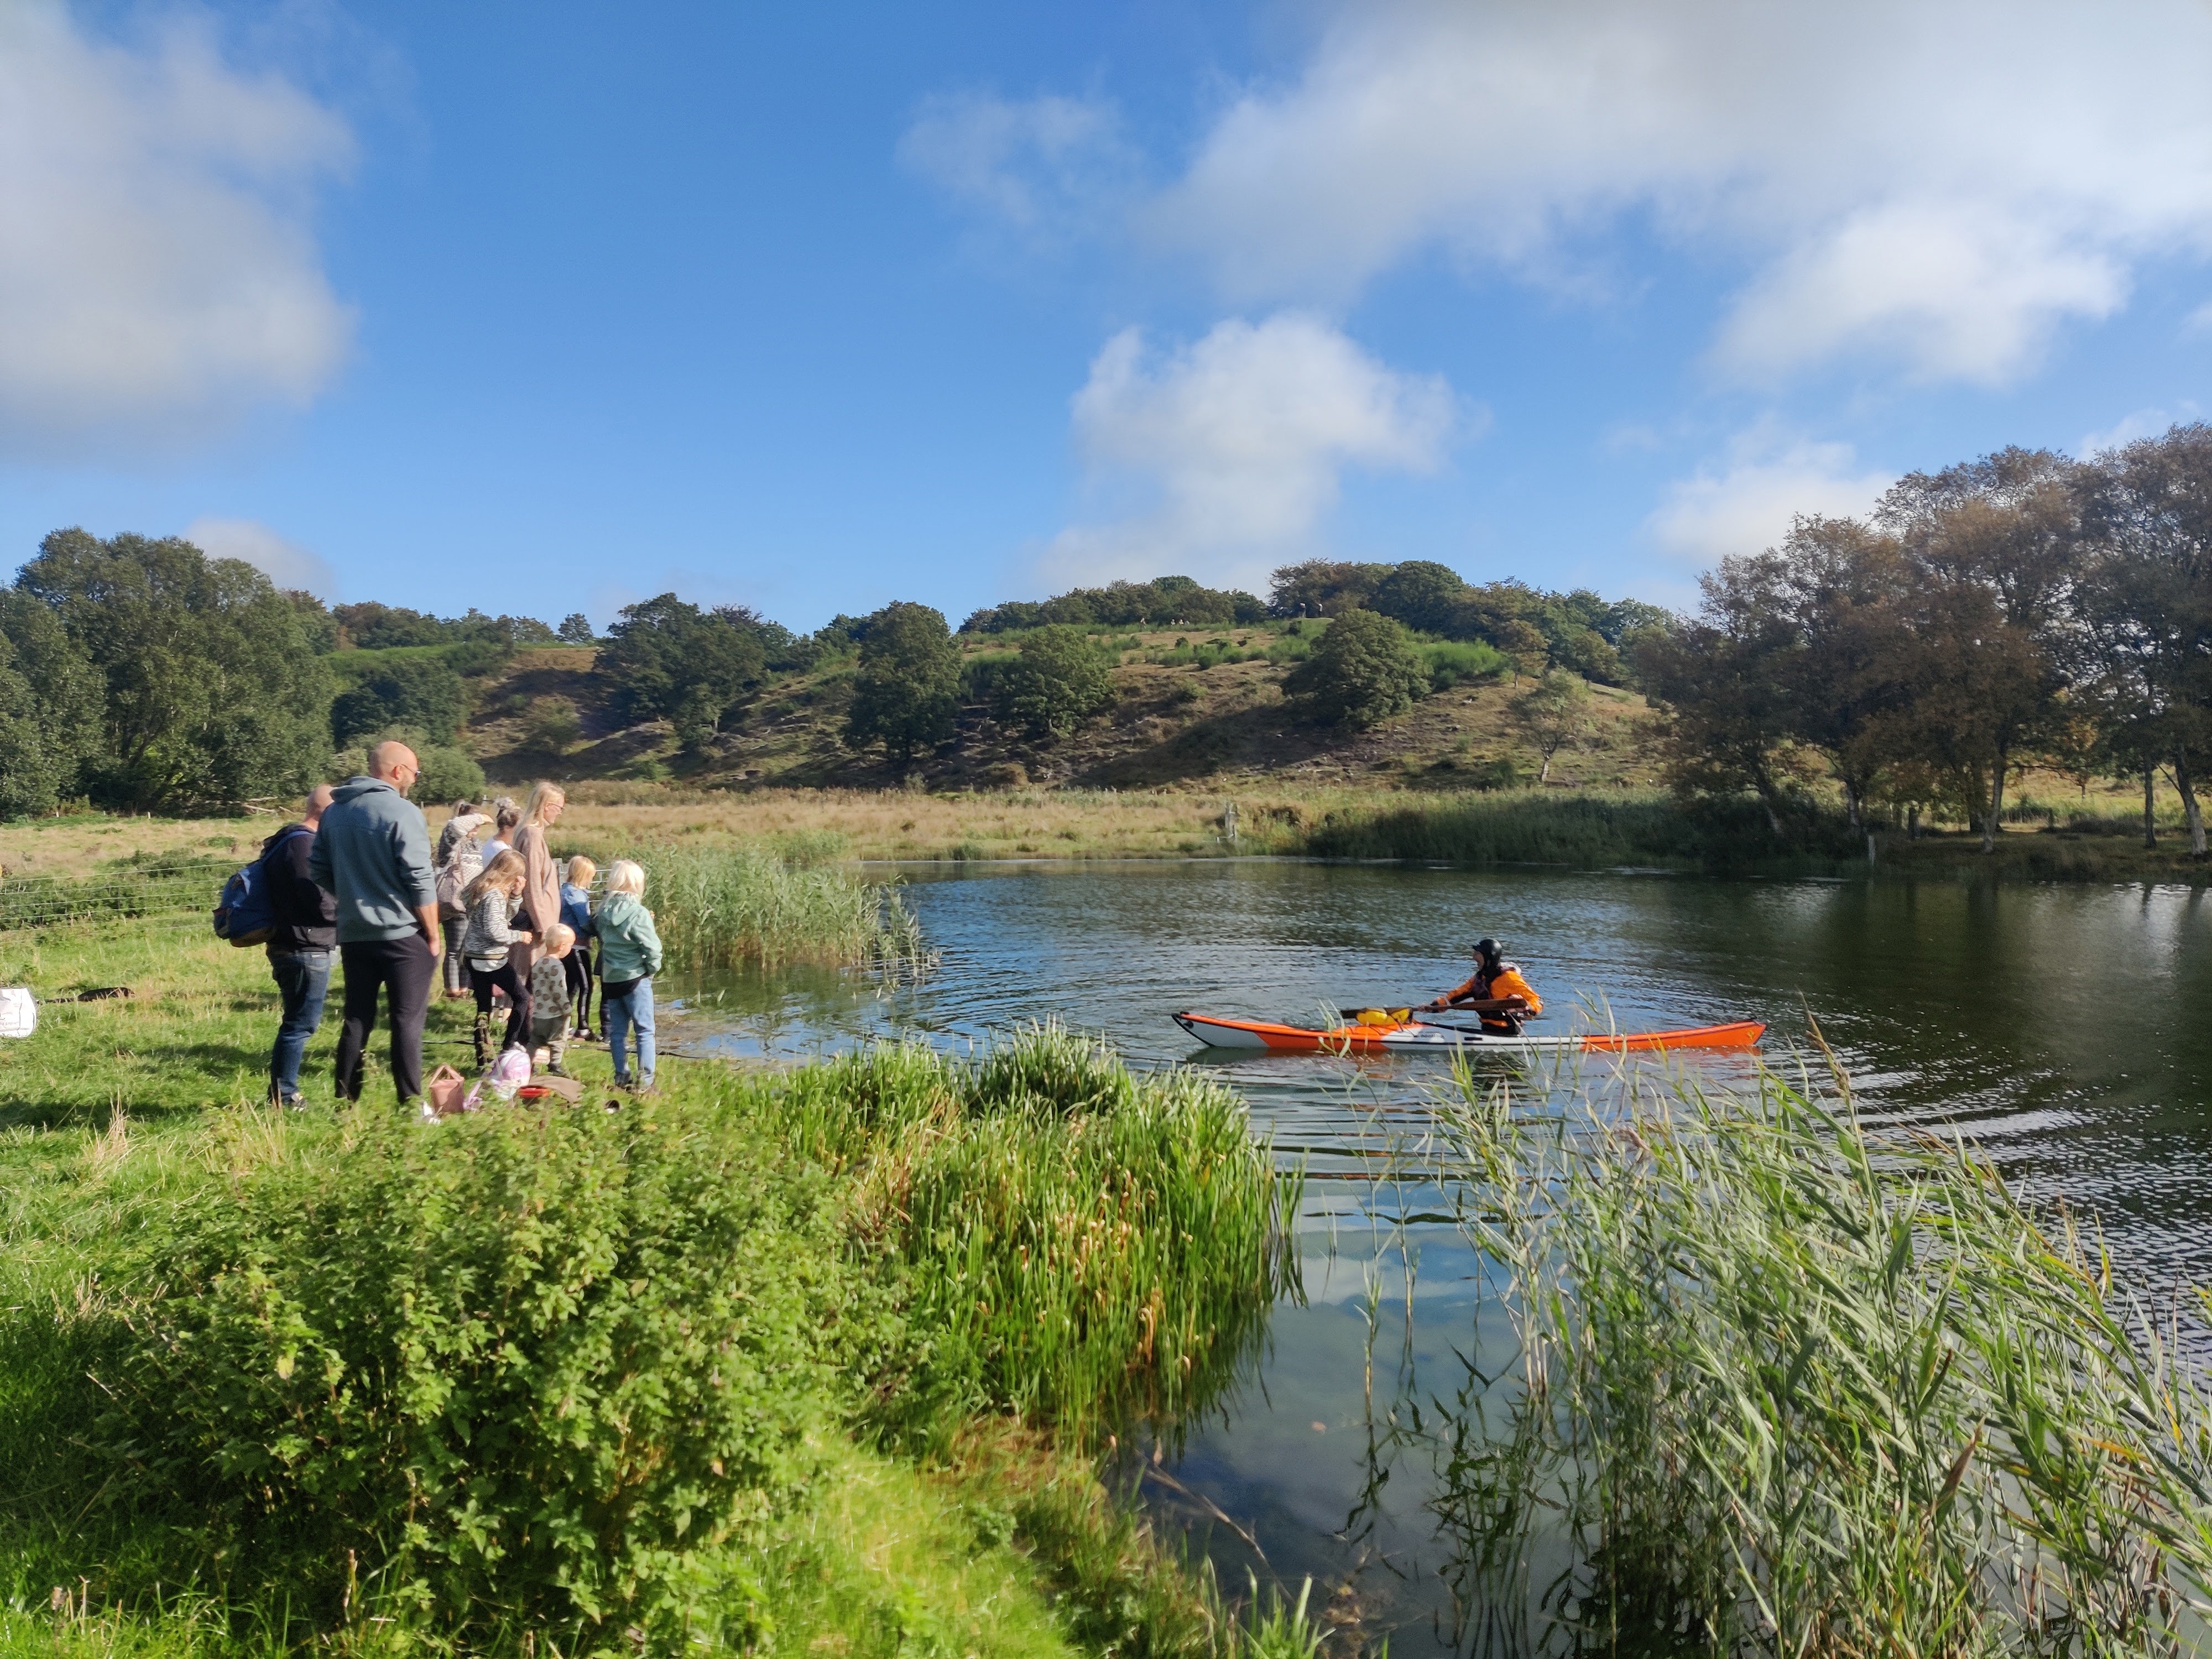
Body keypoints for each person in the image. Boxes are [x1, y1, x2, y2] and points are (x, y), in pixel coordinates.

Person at [310, 742, 441, 1104]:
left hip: (355, 934)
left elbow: (317, 868)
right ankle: (411, 1105)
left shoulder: (335, 812)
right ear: (397, 771)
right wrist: (433, 934)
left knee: (356, 1020)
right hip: (403, 934)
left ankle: (345, 1102)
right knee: (406, 1022)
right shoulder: (403, 812)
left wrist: (351, 895)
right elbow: (419, 878)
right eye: (415, 773)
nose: (414, 780)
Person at [265, 784, 337, 1108]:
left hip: (294, 943)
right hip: (305, 947)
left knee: (296, 1021)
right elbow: (317, 902)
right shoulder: (303, 844)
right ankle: (285, 1094)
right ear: (328, 812)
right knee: (300, 1025)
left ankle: (282, 1092)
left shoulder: (287, 841)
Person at [460, 849, 534, 1066]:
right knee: (522, 998)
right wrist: (520, 935)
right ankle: (508, 1048)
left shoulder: (481, 889)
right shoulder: (493, 895)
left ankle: (482, 1058)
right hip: (491, 959)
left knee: (484, 1008)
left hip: (474, 957)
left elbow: (504, 919)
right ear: (510, 873)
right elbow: (497, 931)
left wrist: (516, 896)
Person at [596, 859, 663, 1093]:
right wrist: (651, 970)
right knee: (645, 1031)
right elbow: (653, 949)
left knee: (617, 1032)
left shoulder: (603, 910)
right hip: (636, 978)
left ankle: (620, 1077)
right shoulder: (638, 913)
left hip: (611, 979)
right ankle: (645, 1083)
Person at [1423, 938, 1543, 1035]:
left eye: (1478, 954)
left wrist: (1527, 1009)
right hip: (1486, 1030)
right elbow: (1453, 997)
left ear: (1489, 958)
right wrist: (1431, 1007)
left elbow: (1536, 1001)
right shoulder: (1478, 979)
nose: (1474, 957)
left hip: (1508, 1033)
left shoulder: (1509, 978)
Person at [510, 782, 565, 983]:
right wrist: (542, 926)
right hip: (535, 926)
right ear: (546, 806)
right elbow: (531, 884)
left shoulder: (531, 833)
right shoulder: (532, 836)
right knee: (529, 979)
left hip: (536, 922)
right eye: (559, 807)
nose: (560, 813)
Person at [434, 800, 488, 1000]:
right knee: (455, 948)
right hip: (454, 902)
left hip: (472, 902)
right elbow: (444, 856)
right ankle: (453, 991)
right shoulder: (452, 840)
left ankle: (464, 988)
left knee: (468, 948)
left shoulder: (477, 844)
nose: (477, 829)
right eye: (474, 824)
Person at [528, 923, 577, 1074]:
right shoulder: (557, 966)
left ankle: (529, 1064)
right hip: (555, 1014)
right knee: (557, 1041)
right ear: (562, 946)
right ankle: (555, 1065)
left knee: (534, 1041)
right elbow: (559, 990)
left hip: (539, 1012)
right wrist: (566, 1008)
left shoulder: (539, 963)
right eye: (571, 945)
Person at [560, 855, 598, 1040]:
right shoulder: (576, 894)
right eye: (590, 876)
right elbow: (584, 922)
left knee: (572, 986)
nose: (591, 880)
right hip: (577, 946)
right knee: (586, 986)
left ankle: (564, 1025)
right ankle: (583, 1026)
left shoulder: (564, 890)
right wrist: (600, 929)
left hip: (567, 946)